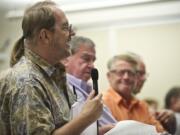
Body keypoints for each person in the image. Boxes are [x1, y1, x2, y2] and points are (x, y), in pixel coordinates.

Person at [0, 1, 103, 135]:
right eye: (65, 27)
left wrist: (97, 132)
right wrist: (86, 118)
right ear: (45, 36)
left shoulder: (53, 74)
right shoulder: (28, 82)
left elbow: (64, 127)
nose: (72, 33)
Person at [61, 36, 116, 135]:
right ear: (65, 59)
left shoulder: (90, 89)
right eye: (86, 59)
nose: (92, 65)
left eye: (93, 60)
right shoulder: (62, 90)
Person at [102, 54, 165, 133]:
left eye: (130, 73)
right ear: (109, 76)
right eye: (121, 72)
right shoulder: (101, 103)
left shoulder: (142, 106)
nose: (126, 77)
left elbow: (160, 132)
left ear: (136, 77)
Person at [129, 52, 176, 134]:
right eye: (140, 73)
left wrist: (171, 122)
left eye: (144, 74)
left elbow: (161, 132)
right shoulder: (106, 103)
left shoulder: (142, 105)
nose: (144, 79)